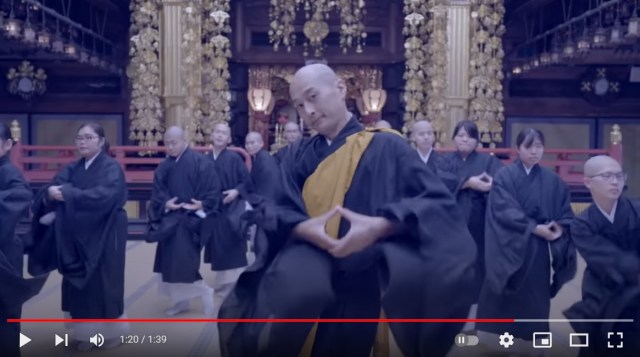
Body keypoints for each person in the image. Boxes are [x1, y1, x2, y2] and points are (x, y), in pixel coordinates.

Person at [219, 63, 477, 357]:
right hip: (306, 283)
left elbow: (436, 205)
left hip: (359, 287)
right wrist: (298, 226)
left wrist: (384, 225)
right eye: (300, 106)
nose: (309, 111)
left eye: (313, 97)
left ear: (340, 89)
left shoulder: (386, 147)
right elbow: (267, 201)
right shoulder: (296, 155)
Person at [28, 123, 129, 350]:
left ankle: (109, 334)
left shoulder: (111, 168)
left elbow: (106, 196)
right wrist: (50, 193)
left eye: (88, 137)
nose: (82, 142)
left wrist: (68, 194)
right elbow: (54, 185)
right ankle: (85, 334)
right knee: (77, 283)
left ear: (101, 142)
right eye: (79, 138)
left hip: (104, 233)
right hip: (75, 235)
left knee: (103, 283)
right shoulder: (74, 167)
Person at [475, 128, 576, 352]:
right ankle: (497, 343)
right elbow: (503, 210)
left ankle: (536, 344)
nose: (534, 152)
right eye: (529, 147)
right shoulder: (505, 176)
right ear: (518, 149)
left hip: (537, 249)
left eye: (538, 146)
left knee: (535, 295)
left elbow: (565, 213)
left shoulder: (553, 181)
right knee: (503, 290)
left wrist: (558, 228)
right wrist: (533, 227)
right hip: (508, 244)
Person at [564, 155, 639, 357]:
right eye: (607, 176)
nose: (615, 182)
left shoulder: (637, 210)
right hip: (603, 294)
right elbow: (608, 260)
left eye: (618, 176)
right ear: (588, 182)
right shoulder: (582, 224)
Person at [146, 126, 220, 316]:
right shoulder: (165, 165)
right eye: (166, 143)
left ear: (184, 140)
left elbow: (213, 190)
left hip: (190, 221)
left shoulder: (200, 162)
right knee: (170, 265)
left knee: (184, 264)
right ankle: (182, 302)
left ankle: (205, 292)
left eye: (173, 143)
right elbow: (158, 192)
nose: (169, 147)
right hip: (169, 221)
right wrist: (165, 204)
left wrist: (202, 204)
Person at [438, 120, 503, 302]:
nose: (464, 140)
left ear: (476, 141)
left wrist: (492, 185)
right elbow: (439, 182)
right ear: (454, 139)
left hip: (479, 219)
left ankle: (478, 298)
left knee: (478, 258)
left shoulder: (488, 161)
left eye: (469, 136)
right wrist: (468, 182)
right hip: (452, 221)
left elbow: (501, 182)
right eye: (460, 135)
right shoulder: (444, 162)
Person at [0, 123, 47, 357]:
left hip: (4, 253)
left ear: (8, 144)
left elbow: (21, 195)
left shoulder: (9, 172)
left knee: (4, 314)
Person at [202, 123, 252, 303]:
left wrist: (236, 192)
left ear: (229, 139)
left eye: (224, 133)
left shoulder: (234, 158)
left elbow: (246, 181)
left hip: (231, 207)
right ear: (212, 135)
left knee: (231, 243)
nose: (220, 135)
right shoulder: (205, 159)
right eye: (217, 132)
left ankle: (232, 283)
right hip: (213, 208)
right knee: (217, 245)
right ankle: (223, 282)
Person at [244, 131, 280, 202]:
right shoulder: (258, 157)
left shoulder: (264, 160)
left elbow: (268, 185)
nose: (249, 146)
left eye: (252, 143)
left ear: (261, 144)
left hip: (268, 200)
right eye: (247, 143)